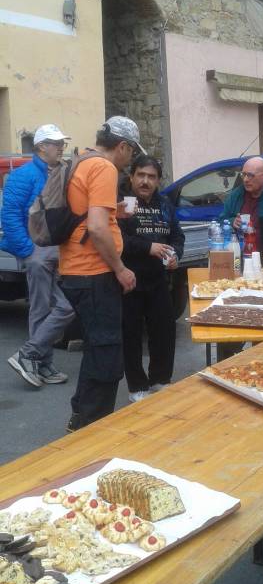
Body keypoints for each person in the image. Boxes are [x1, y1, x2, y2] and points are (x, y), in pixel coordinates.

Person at [59, 116, 145, 431]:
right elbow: (95, 227)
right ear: (122, 146)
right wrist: (120, 269)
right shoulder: (104, 168)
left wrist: (115, 212)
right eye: (132, 152)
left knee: (97, 347)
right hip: (93, 273)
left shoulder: (81, 160)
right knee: (107, 354)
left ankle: (80, 419)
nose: (131, 159)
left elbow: (86, 215)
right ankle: (92, 429)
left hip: (75, 269)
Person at [1, 124, 75, 388]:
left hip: (51, 250)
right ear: (42, 146)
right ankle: (34, 361)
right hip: (36, 251)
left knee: (50, 308)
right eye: (56, 144)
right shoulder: (24, 176)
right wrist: (28, 251)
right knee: (48, 308)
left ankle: (39, 362)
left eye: (62, 144)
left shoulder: (58, 173)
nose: (61, 148)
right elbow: (9, 215)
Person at [119, 155, 185, 403]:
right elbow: (118, 239)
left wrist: (175, 254)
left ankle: (160, 380)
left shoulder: (165, 204)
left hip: (159, 280)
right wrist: (149, 248)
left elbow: (177, 237)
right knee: (131, 334)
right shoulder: (123, 203)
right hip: (129, 279)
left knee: (164, 331)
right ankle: (137, 386)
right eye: (141, 175)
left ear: (158, 180)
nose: (145, 181)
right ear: (132, 176)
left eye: (151, 176)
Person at [222, 156, 263, 253]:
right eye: (243, 175)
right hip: (237, 255)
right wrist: (232, 222)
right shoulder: (236, 195)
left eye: (250, 175)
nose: (245, 179)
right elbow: (221, 220)